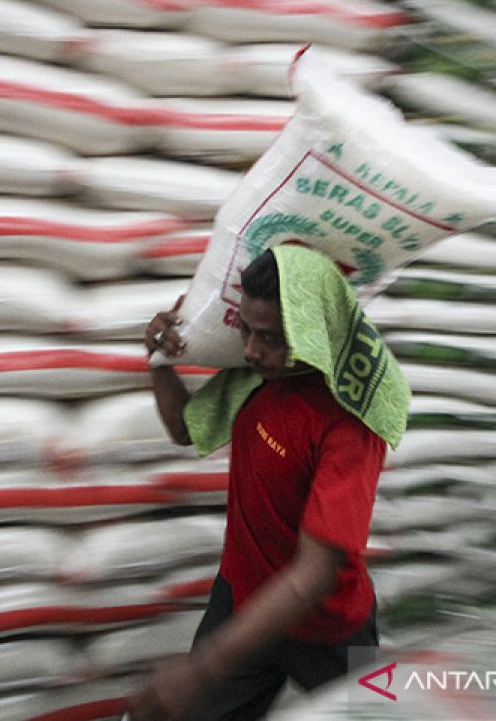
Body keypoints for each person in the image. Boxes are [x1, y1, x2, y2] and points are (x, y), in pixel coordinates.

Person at [128, 244, 411, 721]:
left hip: (333, 628)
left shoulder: (349, 423)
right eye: (246, 330)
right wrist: (159, 361)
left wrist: (202, 670)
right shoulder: (259, 379)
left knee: (375, 715)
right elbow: (182, 426)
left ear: (312, 334)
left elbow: (315, 572)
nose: (252, 350)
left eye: (271, 338)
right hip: (242, 603)